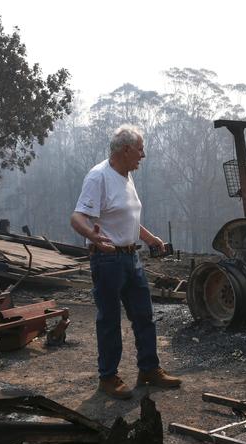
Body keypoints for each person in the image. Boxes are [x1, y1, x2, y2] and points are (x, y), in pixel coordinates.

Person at [70, 125, 182, 400]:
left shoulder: (127, 176)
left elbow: (127, 217)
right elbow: (77, 218)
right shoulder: (99, 176)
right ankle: (108, 377)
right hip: (108, 259)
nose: (143, 155)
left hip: (131, 257)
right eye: (140, 149)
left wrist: (150, 237)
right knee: (109, 319)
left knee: (144, 315)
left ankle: (149, 370)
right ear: (125, 149)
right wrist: (93, 238)